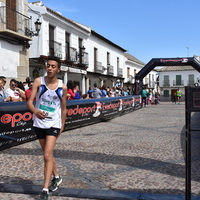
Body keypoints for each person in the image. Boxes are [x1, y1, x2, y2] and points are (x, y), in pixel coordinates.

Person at [27, 56, 67, 200]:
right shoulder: (39, 81)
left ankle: (45, 189)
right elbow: (30, 102)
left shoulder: (63, 87)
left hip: (53, 124)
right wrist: (36, 111)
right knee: (47, 154)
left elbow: (63, 108)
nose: (49, 68)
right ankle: (56, 176)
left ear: (58, 69)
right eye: (48, 65)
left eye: (53, 66)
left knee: (46, 155)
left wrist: (62, 125)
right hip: (39, 123)